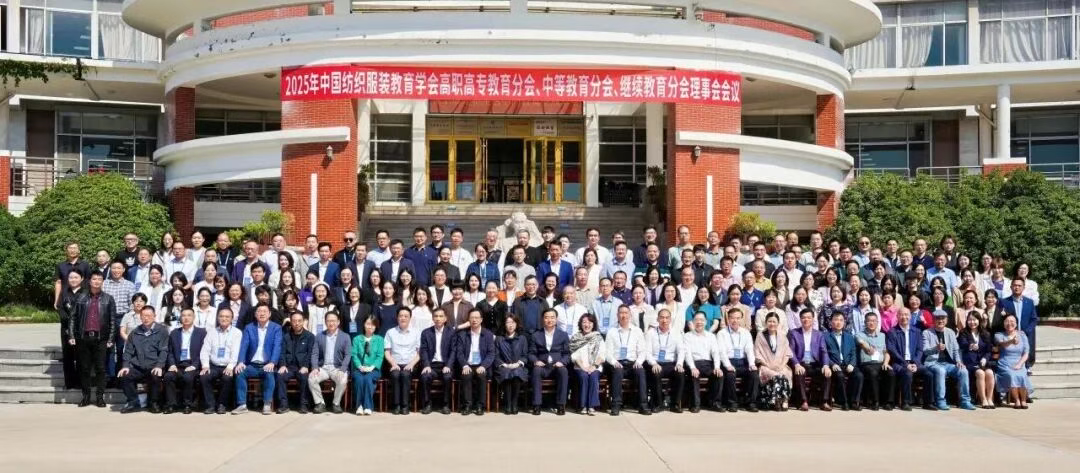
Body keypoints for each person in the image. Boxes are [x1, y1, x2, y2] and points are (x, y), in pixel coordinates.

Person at [68, 271, 117, 407]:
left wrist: (111, 338)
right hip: (83, 338)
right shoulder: (80, 297)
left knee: (101, 369)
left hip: (101, 339)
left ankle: (100, 397)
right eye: (94, 279)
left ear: (102, 282)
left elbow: (112, 320)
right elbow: (73, 318)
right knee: (84, 369)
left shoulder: (108, 299)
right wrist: (71, 335)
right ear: (89, 281)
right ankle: (86, 397)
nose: (96, 281)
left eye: (99, 279)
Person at [232, 304, 284, 415]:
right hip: (252, 364)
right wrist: (241, 361)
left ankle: (267, 404)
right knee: (240, 373)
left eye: (265, 311)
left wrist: (272, 362)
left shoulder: (276, 328)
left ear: (269, 314)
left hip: (267, 364)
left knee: (269, 374)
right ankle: (242, 405)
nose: (262, 313)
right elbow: (244, 345)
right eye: (259, 311)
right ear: (255, 314)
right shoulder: (249, 327)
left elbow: (277, 346)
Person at [921, 311, 976, 410]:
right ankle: (940, 401)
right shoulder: (927, 333)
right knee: (941, 371)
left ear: (946, 320)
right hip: (933, 363)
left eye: (943, 318)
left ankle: (965, 401)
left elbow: (956, 349)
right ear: (933, 320)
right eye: (937, 318)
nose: (940, 321)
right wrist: (936, 348)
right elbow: (925, 351)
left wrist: (958, 361)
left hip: (948, 363)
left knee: (963, 371)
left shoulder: (950, 332)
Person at [118, 306, 168, 413]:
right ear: (140, 317)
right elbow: (128, 352)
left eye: (149, 316)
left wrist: (159, 365)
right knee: (125, 375)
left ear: (154, 316)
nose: (146, 318)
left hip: (154, 365)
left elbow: (164, 351)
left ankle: (153, 403)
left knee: (155, 375)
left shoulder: (162, 331)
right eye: (144, 316)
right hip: (138, 366)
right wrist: (125, 366)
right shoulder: (135, 332)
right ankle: (133, 402)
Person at [605, 305, 650, 415]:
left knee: (641, 371)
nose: (624, 315)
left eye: (626, 313)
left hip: (632, 363)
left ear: (630, 315)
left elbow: (642, 351)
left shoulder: (637, 331)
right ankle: (616, 405)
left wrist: (638, 362)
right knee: (617, 371)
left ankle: (643, 405)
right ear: (617, 315)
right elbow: (607, 352)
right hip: (617, 363)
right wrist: (614, 362)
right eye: (621, 313)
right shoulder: (612, 331)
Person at [716, 307, 759, 412]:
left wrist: (752, 364)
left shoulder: (746, 333)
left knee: (754, 374)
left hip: (743, 361)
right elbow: (721, 352)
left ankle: (750, 402)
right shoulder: (722, 333)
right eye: (732, 318)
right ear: (728, 319)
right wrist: (728, 365)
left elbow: (749, 350)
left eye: (738, 318)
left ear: (741, 319)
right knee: (730, 375)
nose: (735, 320)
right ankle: (732, 403)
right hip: (728, 361)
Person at [788, 308, 832, 411]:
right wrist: (796, 364)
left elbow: (824, 351)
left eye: (809, 317)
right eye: (803, 318)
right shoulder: (794, 333)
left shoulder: (819, 334)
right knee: (799, 373)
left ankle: (824, 402)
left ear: (813, 319)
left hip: (815, 364)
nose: (806, 320)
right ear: (800, 319)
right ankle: (803, 401)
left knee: (827, 373)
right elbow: (791, 351)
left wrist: (826, 365)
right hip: (801, 363)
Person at [163, 308, 206, 414]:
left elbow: (204, 352)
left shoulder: (201, 332)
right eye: (183, 315)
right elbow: (170, 352)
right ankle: (171, 404)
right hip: (178, 365)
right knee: (168, 376)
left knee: (188, 377)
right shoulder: (174, 333)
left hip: (192, 364)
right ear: (180, 318)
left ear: (194, 317)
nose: (186, 318)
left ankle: (188, 404)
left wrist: (195, 365)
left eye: (189, 315)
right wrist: (172, 364)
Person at [528, 308, 570, 415]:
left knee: (563, 371)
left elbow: (567, 354)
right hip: (542, 366)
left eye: (552, 317)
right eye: (546, 317)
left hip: (557, 365)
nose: (549, 320)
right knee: (536, 370)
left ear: (556, 319)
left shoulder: (563, 335)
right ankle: (536, 405)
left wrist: (562, 362)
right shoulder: (536, 335)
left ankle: (561, 405)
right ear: (543, 319)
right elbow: (531, 353)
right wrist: (536, 361)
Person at [308, 311, 351, 414]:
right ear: (325, 322)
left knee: (342, 379)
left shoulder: (345, 336)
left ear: (338, 322)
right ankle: (320, 403)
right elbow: (315, 353)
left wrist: (343, 369)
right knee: (311, 378)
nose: (331, 323)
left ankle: (336, 403)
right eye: (328, 321)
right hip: (323, 367)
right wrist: (315, 367)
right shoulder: (319, 336)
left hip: (337, 368)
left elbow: (348, 355)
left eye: (333, 321)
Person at [456, 309, 495, 415]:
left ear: (481, 320)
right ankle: (467, 405)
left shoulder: (488, 334)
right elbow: (459, 353)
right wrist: (464, 365)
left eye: (477, 318)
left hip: (481, 364)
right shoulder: (463, 334)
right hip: (467, 364)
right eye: (472, 318)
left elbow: (491, 353)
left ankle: (480, 405)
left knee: (481, 375)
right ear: (468, 320)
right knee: (466, 375)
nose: (474, 320)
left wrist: (483, 366)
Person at [275, 311, 314, 414]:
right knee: (280, 376)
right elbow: (282, 352)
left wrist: (306, 366)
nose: (297, 323)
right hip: (289, 367)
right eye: (294, 321)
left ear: (303, 321)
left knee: (305, 377)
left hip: (302, 366)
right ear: (291, 322)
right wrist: (282, 365)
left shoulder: (310, 336)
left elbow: (310, 353)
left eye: (299, 321)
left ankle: (304, 405)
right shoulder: (286, 336)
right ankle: (283, 405)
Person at [683, 311, 723, 412]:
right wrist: (692, 367)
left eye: (701, 320)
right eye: (696, 320)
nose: (699, 322)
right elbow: (687, 354)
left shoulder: (711, 336)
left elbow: (715, 353)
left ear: (706, 322)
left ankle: (715, 403)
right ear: (692, 322)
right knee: (693, 375)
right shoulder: (687, 336)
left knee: (719, 375)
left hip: (708, 364)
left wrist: (717, 367)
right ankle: (695, 405)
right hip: (694, 363)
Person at [886, 308, 925, 411]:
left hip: (914, 363)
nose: (904, 317)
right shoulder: (892, 332)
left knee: (929, 373)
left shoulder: (917, 331)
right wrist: (905, 364)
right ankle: (905, 402)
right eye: (901, 315)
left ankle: (929, 402)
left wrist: (915, 363)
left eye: (906, 314)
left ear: (910, 316)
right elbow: (892, 350)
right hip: (899, 363)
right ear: (897, 317)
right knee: (907, 374)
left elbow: (920, 349)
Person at [384, 307, 421, 415]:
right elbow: (387, 352)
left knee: (405, 374)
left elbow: (419, 353)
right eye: (401, 316)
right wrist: (393, 363)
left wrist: (411, 364)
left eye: (406, 316)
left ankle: (405, 405)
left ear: (410, 318)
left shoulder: (416, 332)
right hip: (394, 364)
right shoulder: (390, 332)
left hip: (411, 364)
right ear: (397, 317)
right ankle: (396, 405)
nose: (403, 318)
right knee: (395, 375)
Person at [418, 308, 455, 414]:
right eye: (436, 316)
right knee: (425, 376)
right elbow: (423, 350)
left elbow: (453, 351)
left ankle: (445, 405)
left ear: (445, 318)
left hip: (445, 364)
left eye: (441, 316)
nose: (438, 318)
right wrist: (426, 365)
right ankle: (427, 404)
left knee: (447, 377)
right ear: (433, 318)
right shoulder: (426, 332)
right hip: (431, 365)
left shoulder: (451, 332)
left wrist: (448, 365)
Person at [823, 311, 862, 410]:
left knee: (859, 375)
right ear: (831, 322)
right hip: (835, 365)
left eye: (841, 320)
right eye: (836, 320)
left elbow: (853, 352)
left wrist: (852, 364)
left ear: (844, 322)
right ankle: (844, 402)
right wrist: (832, 364)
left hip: (848, 364)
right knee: (840, 376)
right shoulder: (825, 336)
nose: (838, 322)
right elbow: (824, 353)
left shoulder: (849, 337)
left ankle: (854, 402)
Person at [754, 312, 792, 411]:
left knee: (785, 373)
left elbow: (787, 353)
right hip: (766, 366)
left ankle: (784, 400)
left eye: (774, 322)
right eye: (769, 321)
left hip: (780, 365)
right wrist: (768, 365)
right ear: (766, 323)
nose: (772, 324)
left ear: (778, 323)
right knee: (776, 376)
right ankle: (777, 400)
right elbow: (757, 353)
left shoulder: (782, 336)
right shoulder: (760, 335)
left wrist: (782, 365)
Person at [855, 312, 894, 410]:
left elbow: (886, 352)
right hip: (867, 364)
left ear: (877, 322)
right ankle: (875, 401)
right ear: (865, 322)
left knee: (891, 373)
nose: (871, 323)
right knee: (873, 373)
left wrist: (886, 363)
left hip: (880, 363)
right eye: (869, 321)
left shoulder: (882, 335)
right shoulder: (859, 334)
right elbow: (861, 342)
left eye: (873, 321)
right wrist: (868, 348)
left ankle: (889, 402)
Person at [569, 313, 605, 415]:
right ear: (580, 324)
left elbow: (602, 355)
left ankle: (592, 406)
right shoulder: (576, 338)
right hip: (580, 367)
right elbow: (574, 355)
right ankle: (583, 405)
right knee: (583, 376)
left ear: (593, 324)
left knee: (593, 376)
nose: (587, 325)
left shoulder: (598, 337)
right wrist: (583, 367)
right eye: (584, 322)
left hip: (595, 367)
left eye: (589, 322)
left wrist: (593, 366)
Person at [995, 314, 1032, 409]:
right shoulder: (999, 335)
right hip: (1005, 362)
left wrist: (1019, 364)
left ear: (1016, 323)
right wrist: (1011, 341)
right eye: (1007, 321)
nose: (1009, 323)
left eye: (1012, 321)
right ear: (1003, 324)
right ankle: (1016, 400)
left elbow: (1026, 353)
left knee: (1022, 375)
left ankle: (1023, 400)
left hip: (1019, 361)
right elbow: (1002, 344)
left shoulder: (1022, 335)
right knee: (1011, 375)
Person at [958, 312, 995, 409]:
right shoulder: (963, 332)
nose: (972, 322)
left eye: (974, 320)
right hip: (970, 362)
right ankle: (983, 400)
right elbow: (962, 344)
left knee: (990, 373)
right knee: (980, 373)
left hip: (983, 361)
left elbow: (988, 350)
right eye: (969, 320)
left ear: (979, 320)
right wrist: (970, 345)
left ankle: (989, 399)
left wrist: (985, 358)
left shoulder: (985, 333)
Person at [1001, 278, 1038, 371]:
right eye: (1015, 285)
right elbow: (1001, 319)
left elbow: (1034, 319)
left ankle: (1028, 366)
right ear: (1011, 287)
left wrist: (1027, 331)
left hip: (1025, 332)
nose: (1017, 287)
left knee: (1027, 350)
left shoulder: (1029, 302)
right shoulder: (1004, 302)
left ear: (1023, 287)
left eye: (1019, 285)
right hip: (1010, 333)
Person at [494, 314, 528, 415]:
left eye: (513, 322)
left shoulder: (522, 338)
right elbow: (496, 356)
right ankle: (507, 404)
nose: (510, 325)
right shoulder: (499, 339)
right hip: (504, 366)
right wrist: (504, 364)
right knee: (506, 373)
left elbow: (525, 355)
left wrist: (518, 363)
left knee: (516, 373)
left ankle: (514, 403)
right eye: (508, 322)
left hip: (518, 366)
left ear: (516, 324)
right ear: (504, 325)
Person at [351, 315, 384, 416]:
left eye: (373, 325)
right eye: (368, 324)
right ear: (364, 325)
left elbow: (380, 356)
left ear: (376, 326)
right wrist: (360, 366)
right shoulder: (357, 339)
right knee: (359, 379)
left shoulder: (379, 339)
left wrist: (371, 367)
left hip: (374, 369)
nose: (370, 327)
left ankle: (367, 406)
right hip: (359, 368)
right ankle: (359, 406)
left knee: (368, 379)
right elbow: (354, 355)